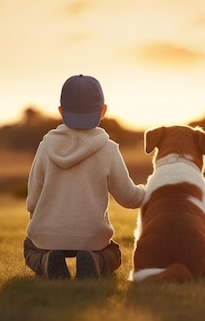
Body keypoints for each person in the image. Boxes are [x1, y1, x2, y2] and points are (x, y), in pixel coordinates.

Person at [23, 74, 146, 280]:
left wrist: (44, 223)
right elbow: (128, 197)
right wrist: (148, 189)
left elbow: (33, 199)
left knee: (30, 248)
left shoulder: (45, 146)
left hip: (47, 236)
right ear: (103, 111)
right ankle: (94, 261)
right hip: (93, 239)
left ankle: (46, 261)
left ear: (61, 111)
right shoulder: (108, 148)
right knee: (112, 253)